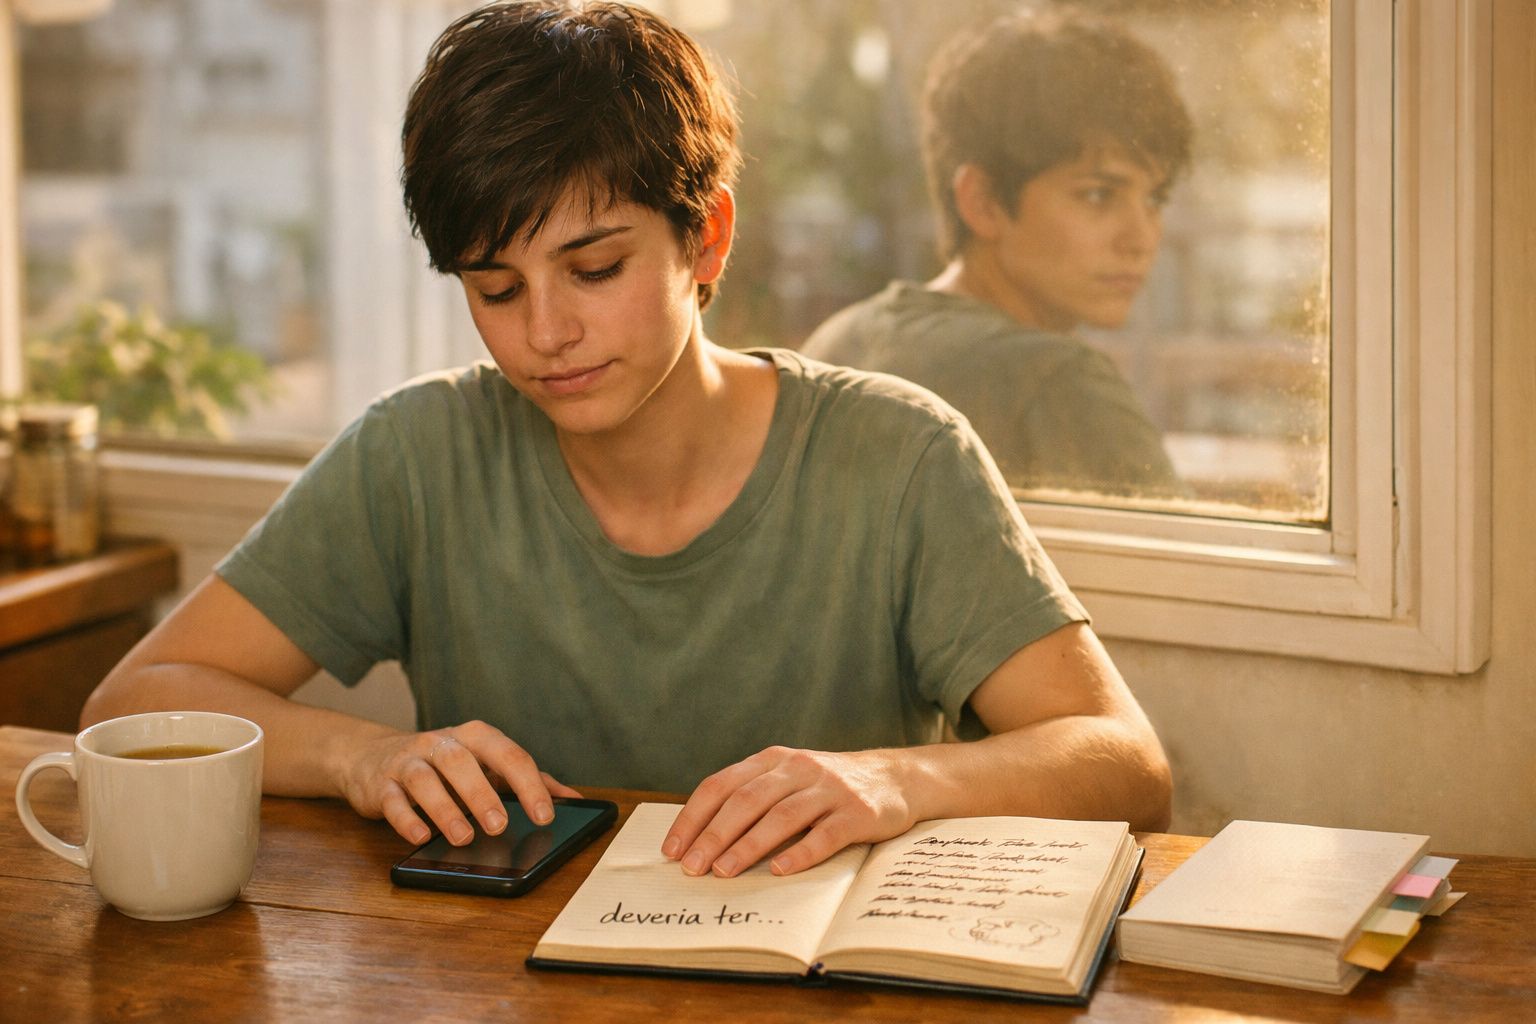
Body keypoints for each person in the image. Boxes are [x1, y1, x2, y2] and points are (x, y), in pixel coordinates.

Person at [81, 0, 1170, 880]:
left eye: (594, 269)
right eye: (496, 287)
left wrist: (893, 781)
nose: (545, 333)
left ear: (708, 237)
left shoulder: (897, 454)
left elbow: (1125, 765)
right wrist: (360, 755)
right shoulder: (418, 452)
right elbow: (133, 700)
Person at [802, 6, 1192, 498]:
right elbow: (1196, 575)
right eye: (1098, 194)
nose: (1142, 238)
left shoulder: (835, 346)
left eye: (1154, 199)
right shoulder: (1059, 382)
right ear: (982, 201)